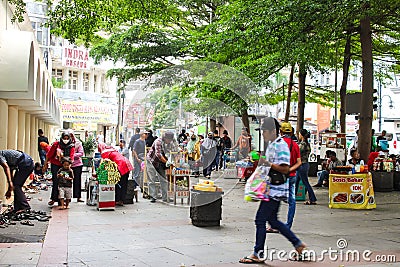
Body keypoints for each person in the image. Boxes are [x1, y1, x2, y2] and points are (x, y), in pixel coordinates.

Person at [239, 117, 306, 264]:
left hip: (275, 190)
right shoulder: (273, 145)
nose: (263, 134)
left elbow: (285, 168)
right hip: (271, 190)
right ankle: (298, 245)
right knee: (273, 221)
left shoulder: (280, 146)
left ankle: (258, 253)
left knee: (260, 219)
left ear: (273, 131)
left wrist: (266, 162)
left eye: (264, 132)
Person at [276, 122, 301, 230]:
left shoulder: (277, 143)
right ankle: (288, 225)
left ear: (280, 131)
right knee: (292, 201)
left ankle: (274, 224)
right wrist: (289, 170)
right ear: (291, 132)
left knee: (274, 198)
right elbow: (299, 162)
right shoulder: (295, 145)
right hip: (291, 176)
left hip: (279, 177)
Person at [43, 132, 75, 206]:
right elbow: (49, 154)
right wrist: (45, 164)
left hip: (66, 167)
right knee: (56, 181)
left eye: (67, 138)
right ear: (62, 138)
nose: (66, 140)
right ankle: (54, 198)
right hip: (55, 165)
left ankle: (64, 199)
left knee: (66, 182)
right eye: (64, 138)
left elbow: (72, 158)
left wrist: (65, 161)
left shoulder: (71, 146)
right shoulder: (56, 144)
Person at [146, 131, 178, 203]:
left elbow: (174, 152)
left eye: (170, 140)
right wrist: (167, 162)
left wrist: (174, 161)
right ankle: (153, 196)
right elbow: (159, 155)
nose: (169, 141)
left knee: (163, 180)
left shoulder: (170, 143)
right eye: (168, 140)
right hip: (152, 161)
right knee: (152, 179)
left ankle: (165, 197)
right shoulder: (158, 141)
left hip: (160, 163)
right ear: (165, 138)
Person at [296, 129, 318, 205]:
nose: (298, 136)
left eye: (299, 134)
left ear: (301, 135)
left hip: (302, 165)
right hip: (304, 165)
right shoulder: (307, 144)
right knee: (296, 181)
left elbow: (296, 153)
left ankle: (312, 199)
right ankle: (292, 197)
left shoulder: (302, 145)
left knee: (305, 182)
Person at [69, 130, 85, 203]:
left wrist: (72, 155)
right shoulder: (62, 143)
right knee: (66, 181)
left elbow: (81, 153)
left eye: (71, 135)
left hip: (77, 164)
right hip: (67, 164)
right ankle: (67, 197)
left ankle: (78, 196)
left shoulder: (78, 143)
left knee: (77, 181)